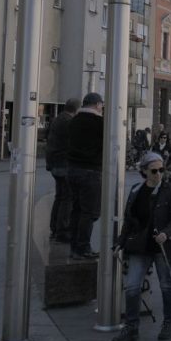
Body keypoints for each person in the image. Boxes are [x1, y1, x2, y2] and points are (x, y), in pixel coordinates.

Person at [112, 152, 171, 341]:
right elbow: (129, 219)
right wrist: (120, 241)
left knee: (167, 285)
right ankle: (131, 327)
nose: (159, 174)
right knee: (132, 286)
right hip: (140, 245)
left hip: (163, 245)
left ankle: (170, 322)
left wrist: (167, 233)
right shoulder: (137, 190)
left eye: (162, 170)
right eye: (154, 170)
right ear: (144, 171)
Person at [66, 93, 105, 260]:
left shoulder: (73, 121)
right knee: (90, 212)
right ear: (97, 105)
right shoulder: (99, 122)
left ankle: (74, 246)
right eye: (101, 105)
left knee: (76, 209)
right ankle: (83, 247)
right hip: (90, 171)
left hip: (73, 170)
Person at [44, 99, 78, 240]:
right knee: (67, 198)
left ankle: (54, 227)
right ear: (76, 109)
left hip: (54, 163)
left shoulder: (57, 119)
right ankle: (62, 230)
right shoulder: (69, 122)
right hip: (63, 163)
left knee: (60, 196)